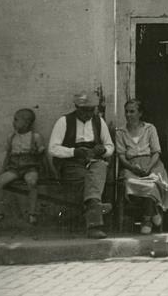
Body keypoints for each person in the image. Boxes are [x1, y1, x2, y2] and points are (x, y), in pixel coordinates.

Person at [48, 92, 114, 239]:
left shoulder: (99, 122)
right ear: (77, 107)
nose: (88, 114)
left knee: (100, 169)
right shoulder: (64, 121)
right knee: (87, 180)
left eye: (91, 110)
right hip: (71, 163)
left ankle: (93, 206)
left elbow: (110, 146)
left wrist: (103, 150)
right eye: (84, 110)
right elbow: (53, 148)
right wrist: (74, 151)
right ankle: (95, 221)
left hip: (94, 161)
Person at [114, 99, 168, 234]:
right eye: (126, 112)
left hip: (152, 163)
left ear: (140, 113)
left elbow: (156, 152)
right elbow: (121, 156)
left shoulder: (149, 129)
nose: (128, 115)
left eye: (132, 111)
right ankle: (153, 214)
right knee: (130, 182)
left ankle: (146, 219)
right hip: (132, 166)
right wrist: (132, 167)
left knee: (153, 183)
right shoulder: (120, 132)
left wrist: (148, 167)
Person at [0, 108, 47, 227]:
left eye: (16, 120)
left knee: (32, 182)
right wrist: (1, 171)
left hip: (30, 167)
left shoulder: (36, 137)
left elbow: (42, 156)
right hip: (14, 168)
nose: (13, 122)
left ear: (27, 122)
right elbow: (7, 155)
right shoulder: (11, 137)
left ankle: (32, 213)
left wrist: (46, 169)